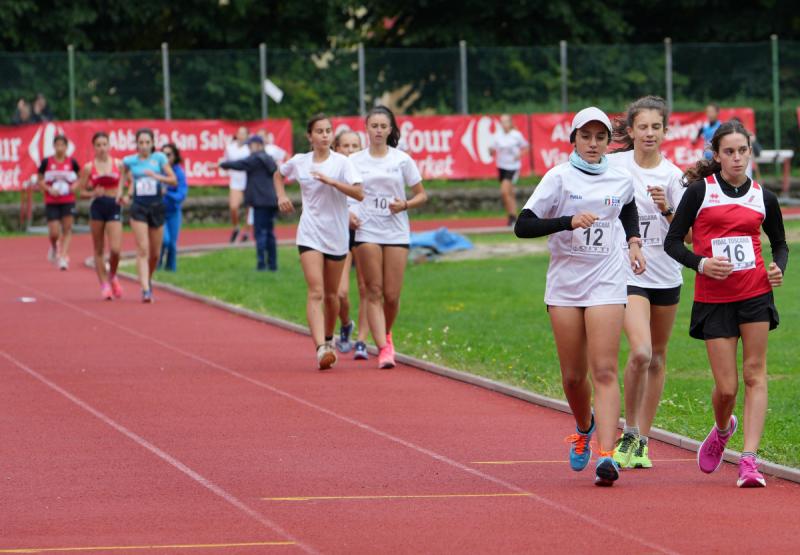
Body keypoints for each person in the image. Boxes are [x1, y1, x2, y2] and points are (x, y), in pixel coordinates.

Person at [514, 107, 645, 487]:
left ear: (608, 141)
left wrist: (634, 242)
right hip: (566, 286)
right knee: (573, 377)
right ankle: (584, 425)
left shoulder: (620, 176)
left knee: (603, 369)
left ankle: (607, 455)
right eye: (585, 137)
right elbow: (523, 225)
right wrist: (567, 220)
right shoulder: (558, 177)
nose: (593, 144)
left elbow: (627, 207)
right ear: (574, 139)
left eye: (600, 137)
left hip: (607, 281)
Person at [664, 120, 788, 488]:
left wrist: (778, 268)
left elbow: (780, 243)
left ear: (751, 153)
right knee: (728, 388)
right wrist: (702, 264)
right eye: (729, 152)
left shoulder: (763, 197)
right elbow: (673, 242)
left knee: (755, 373)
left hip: (754, 294)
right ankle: (722, 429)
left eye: (743, 151)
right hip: (714, 299)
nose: (737, 158)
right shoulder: (701, 192)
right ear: (716, 156)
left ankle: (749, 460)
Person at [608, 96, 687, 469]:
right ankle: (628, 428)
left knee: (657, 357)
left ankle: (642, 438)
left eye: (656, 127)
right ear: (630, 130)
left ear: (665, 131)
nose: (650, 133)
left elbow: (688, 239)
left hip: (666, 274)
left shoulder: (675, 177)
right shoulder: (615, 166)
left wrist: (667, 209)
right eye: (643, 127)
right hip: (627, 274)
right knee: (640, 351)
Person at [274, 114, 363, 370]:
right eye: (320, 131)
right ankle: (320, 348)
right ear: (310, 136)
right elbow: (278, 174)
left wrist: (333, 182)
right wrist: (281, 196)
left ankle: (328, 338)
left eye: (328, 131)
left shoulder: (342, 163)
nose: (325, 135)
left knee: (333, 295)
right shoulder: (300, 162)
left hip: (336, 234)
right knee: (316, 291)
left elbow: (359, 192)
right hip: (310, 232)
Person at [351, 106, 428, 369]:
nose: (379, 131)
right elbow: (346, 194)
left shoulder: (401, 160)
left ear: (391, 130)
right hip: (367, 228)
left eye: (384, 126)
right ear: (367, 129)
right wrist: (350, 213)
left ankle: (385, 333)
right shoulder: (355, 161)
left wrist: (404, 204)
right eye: (374, 126)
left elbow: (421, 194)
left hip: (395, 228)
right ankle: (384, 349)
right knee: (374, 290)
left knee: (392, 295)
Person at [120, 128, 177, 303]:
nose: (144, 146)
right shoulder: (129, 161)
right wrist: (123, 194)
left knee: (155, 254)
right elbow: (123, 179)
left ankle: (148, 279)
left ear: (152, 143)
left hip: (156, 206)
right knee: (142, 248)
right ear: (136, 144)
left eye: (147, 142)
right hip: (139, 207)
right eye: (141, 143)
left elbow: (173, 180)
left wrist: (156, 176)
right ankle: (145, 289)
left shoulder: (159, 158)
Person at [332, 130, 370, 359]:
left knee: (366, 289)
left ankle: (362, 342)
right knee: (340, 293)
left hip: (366, 232)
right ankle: (346, 324)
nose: (349, 150)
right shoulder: (332, 170)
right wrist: (346, 214)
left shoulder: (367, 169)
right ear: (337, 148)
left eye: (354, 146)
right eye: (345, 145)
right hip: (340, 233)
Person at [219, 135, 279, 271]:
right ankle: (273, 264)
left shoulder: (256, 159)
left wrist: (222, 164)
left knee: (260, 233)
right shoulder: (269, 159)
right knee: (270, 233)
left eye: (250, 146)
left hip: (260, 202)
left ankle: (261, 264)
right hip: (271, 201)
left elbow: (239, 164)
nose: (248, 149)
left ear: (257, 145)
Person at [77, 131, 125, 299]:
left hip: (114, 206)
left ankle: (112, 275)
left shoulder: (119, 164)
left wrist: (124, 195)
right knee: (98, 249)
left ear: (110, 146)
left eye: (105, 144)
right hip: (98, 207)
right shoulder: (89, 168)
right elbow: (81, 191)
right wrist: (92, 193)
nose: (102, 148)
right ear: (94, 148)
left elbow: (128, 183)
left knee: (115, 249)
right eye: (98, 145)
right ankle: (104, 284)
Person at [37, 134, 80, 271]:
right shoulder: (46, 162)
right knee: (54, 231)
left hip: (68, 200)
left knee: (67, 228)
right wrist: (48, 189)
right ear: (54, 146)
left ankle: (63, 256)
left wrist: (74, 187)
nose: (60, 148)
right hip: (52, 200)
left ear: (67, 147)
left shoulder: (72, 162)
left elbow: (80, 178)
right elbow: (40, 179)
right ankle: (55, 246)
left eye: (63, 145)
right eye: (57, 145)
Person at [489, 114, 529, 227]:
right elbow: (492, 151)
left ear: (510, 123)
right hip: (501, 166)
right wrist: (491, 151)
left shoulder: (516, 135)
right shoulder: (497, 136)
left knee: (504, 191)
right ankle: (513, 216)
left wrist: (519, 155)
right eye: (502, 122)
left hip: (512, 167)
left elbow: (526, 147)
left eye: (506, 121)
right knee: (509, 193)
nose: (504, 124)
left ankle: (511, 217)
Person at [159, 143, 188, 272]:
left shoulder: (179, 173)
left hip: (173, 212)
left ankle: (171, 269)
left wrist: (168, 193)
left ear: (175, 156)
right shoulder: (157, 170)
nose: (166, 157)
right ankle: (157, 265)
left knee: (172, 244)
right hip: (158, 211)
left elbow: (182, 194)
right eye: (163, 155)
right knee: (164, 241)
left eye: (168, 154)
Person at [223, 126, 251, 243]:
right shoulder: (230, 148)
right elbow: (226, 163)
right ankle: (236, 228)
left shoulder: (250, 148)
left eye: (244, 133)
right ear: (237, 135)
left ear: (247, 135)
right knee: (233, 207)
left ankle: (246, 233)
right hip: (235, 182)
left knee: (249, 210)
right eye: (239, 133)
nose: (241, 135)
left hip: (249, 181)